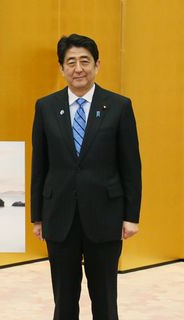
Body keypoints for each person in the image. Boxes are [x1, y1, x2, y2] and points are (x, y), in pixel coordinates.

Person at [31, 34, 142, 320]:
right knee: (64, 300)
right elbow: (40, 165)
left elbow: (131, 166)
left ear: (97, 65)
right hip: (60, 216)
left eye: (84, 61)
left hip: (105, 216)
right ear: (61, 68)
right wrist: (37, 217)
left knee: (105, 299)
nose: (78, 68)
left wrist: (131, 216)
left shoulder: (119, 106)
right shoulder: (45, 107)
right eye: (71, 62)